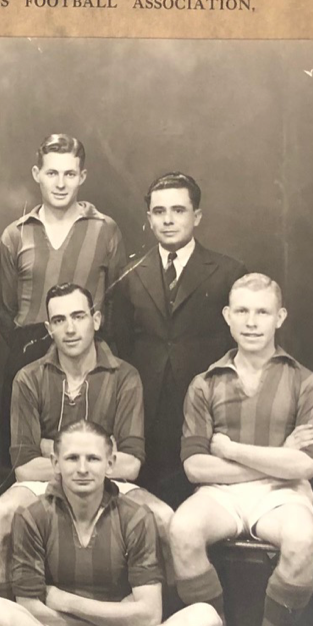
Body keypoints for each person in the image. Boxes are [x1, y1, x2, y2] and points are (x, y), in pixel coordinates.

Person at [0, 282, 175, 626]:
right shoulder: (28, 377)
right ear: (48, 328)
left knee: (165, 517)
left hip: (109, 479)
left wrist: (57, 451)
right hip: (54, 477)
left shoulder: (124, 375)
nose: (70, 328)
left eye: (78, 316)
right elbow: (24, 466)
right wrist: (87, 458)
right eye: (59, 320)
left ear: (96, 319)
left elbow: (130, 462)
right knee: (2, 513)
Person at [0, 421, 222, 626]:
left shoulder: (136, 517)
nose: (82, 469)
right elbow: (30, 609)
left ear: (110, 463)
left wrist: (66, 601)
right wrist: (117, 617)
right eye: (72, 458)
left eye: (93, 458)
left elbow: (149, 616)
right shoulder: (32, 517)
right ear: (55, 463)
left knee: (205, 618)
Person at [168, 273, 313, 626]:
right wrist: (276, 458)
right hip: (224, 493)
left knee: (301, 539)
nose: (252, 321)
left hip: (283, 496)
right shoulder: (205, 383)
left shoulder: (308, 382)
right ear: (227, 316)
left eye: (262, 311)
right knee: (182, 529)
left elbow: (305, 465)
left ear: (280, 317)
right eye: (242, 310)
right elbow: (195, 467)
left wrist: (231, 449)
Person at [105, 172, 247, 507]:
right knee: (149, 502)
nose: (168, 220)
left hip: (206, 403)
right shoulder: (129, 274)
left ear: (197, 216)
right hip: (147, 405)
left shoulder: (229, 272)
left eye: (178, 210)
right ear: (149, 218)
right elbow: (119, 340)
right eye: (159, 211)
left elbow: (240, 345)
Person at [0, 134, 124, 443]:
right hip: (29, 354)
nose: (61, 183)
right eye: (52, 173)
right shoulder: (16, 234)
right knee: (27, 453)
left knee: (89, 449)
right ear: (37, 174)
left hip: (88, 357)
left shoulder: (105, 230)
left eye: (70, 174)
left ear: (83, 176)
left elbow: (118, 301)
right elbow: (4, 308)